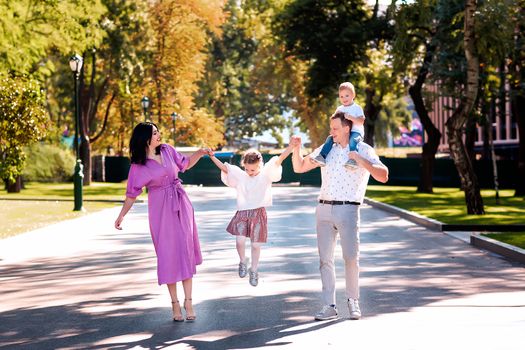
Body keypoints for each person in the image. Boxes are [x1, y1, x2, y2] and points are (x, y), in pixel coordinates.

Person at [290, 112, 388, 321]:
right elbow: (299, 167)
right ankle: (329, 306)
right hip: (323, 209)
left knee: (351, 258)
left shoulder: (362, 149)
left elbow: (383, 175)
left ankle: (353, 301)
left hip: (348, 209)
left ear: (347, 128)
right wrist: (296, 149)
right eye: (331, 128)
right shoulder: (326, 151)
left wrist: (359, 160)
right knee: (325, 260)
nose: (331, 132)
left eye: (335, 128)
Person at [114, 122, 209, 322]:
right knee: (168, 254)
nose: (159, 135)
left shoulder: (167, 150)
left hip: (180, 204)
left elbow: (185, 163)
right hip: (160, 210)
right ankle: (175, 304)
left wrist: (200, 152)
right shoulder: (138, 166)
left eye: (158, 132)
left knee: (185, 250)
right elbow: (132, 194)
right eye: (155, 133)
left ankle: (189, 301)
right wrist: (121, 215)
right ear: (145, 139)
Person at [208, 146, 293, 287]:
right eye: (247, 169)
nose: (249, 172)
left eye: (252, 169)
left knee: (255, 245)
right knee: (240, 241)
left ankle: (254, 270)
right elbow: (225, 168)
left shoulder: (266, 174)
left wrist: (291, 147)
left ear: (260, 165)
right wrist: (212, 156)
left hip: (258, 213)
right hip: (242, 212)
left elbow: (278, 160)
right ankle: (242, 261)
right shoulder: (241, 175)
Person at [312, 82, 365, 169]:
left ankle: (353, 160)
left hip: (355, 132)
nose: (344, 98)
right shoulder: (340, 109)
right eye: (341, 96)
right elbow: (334, 119)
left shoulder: (357, 108)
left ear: (353, 95)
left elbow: (361, 121)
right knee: (330, 139)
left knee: (353, 141)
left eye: (347, 95)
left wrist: (351, 118)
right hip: (343, 133)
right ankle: (322, 156)